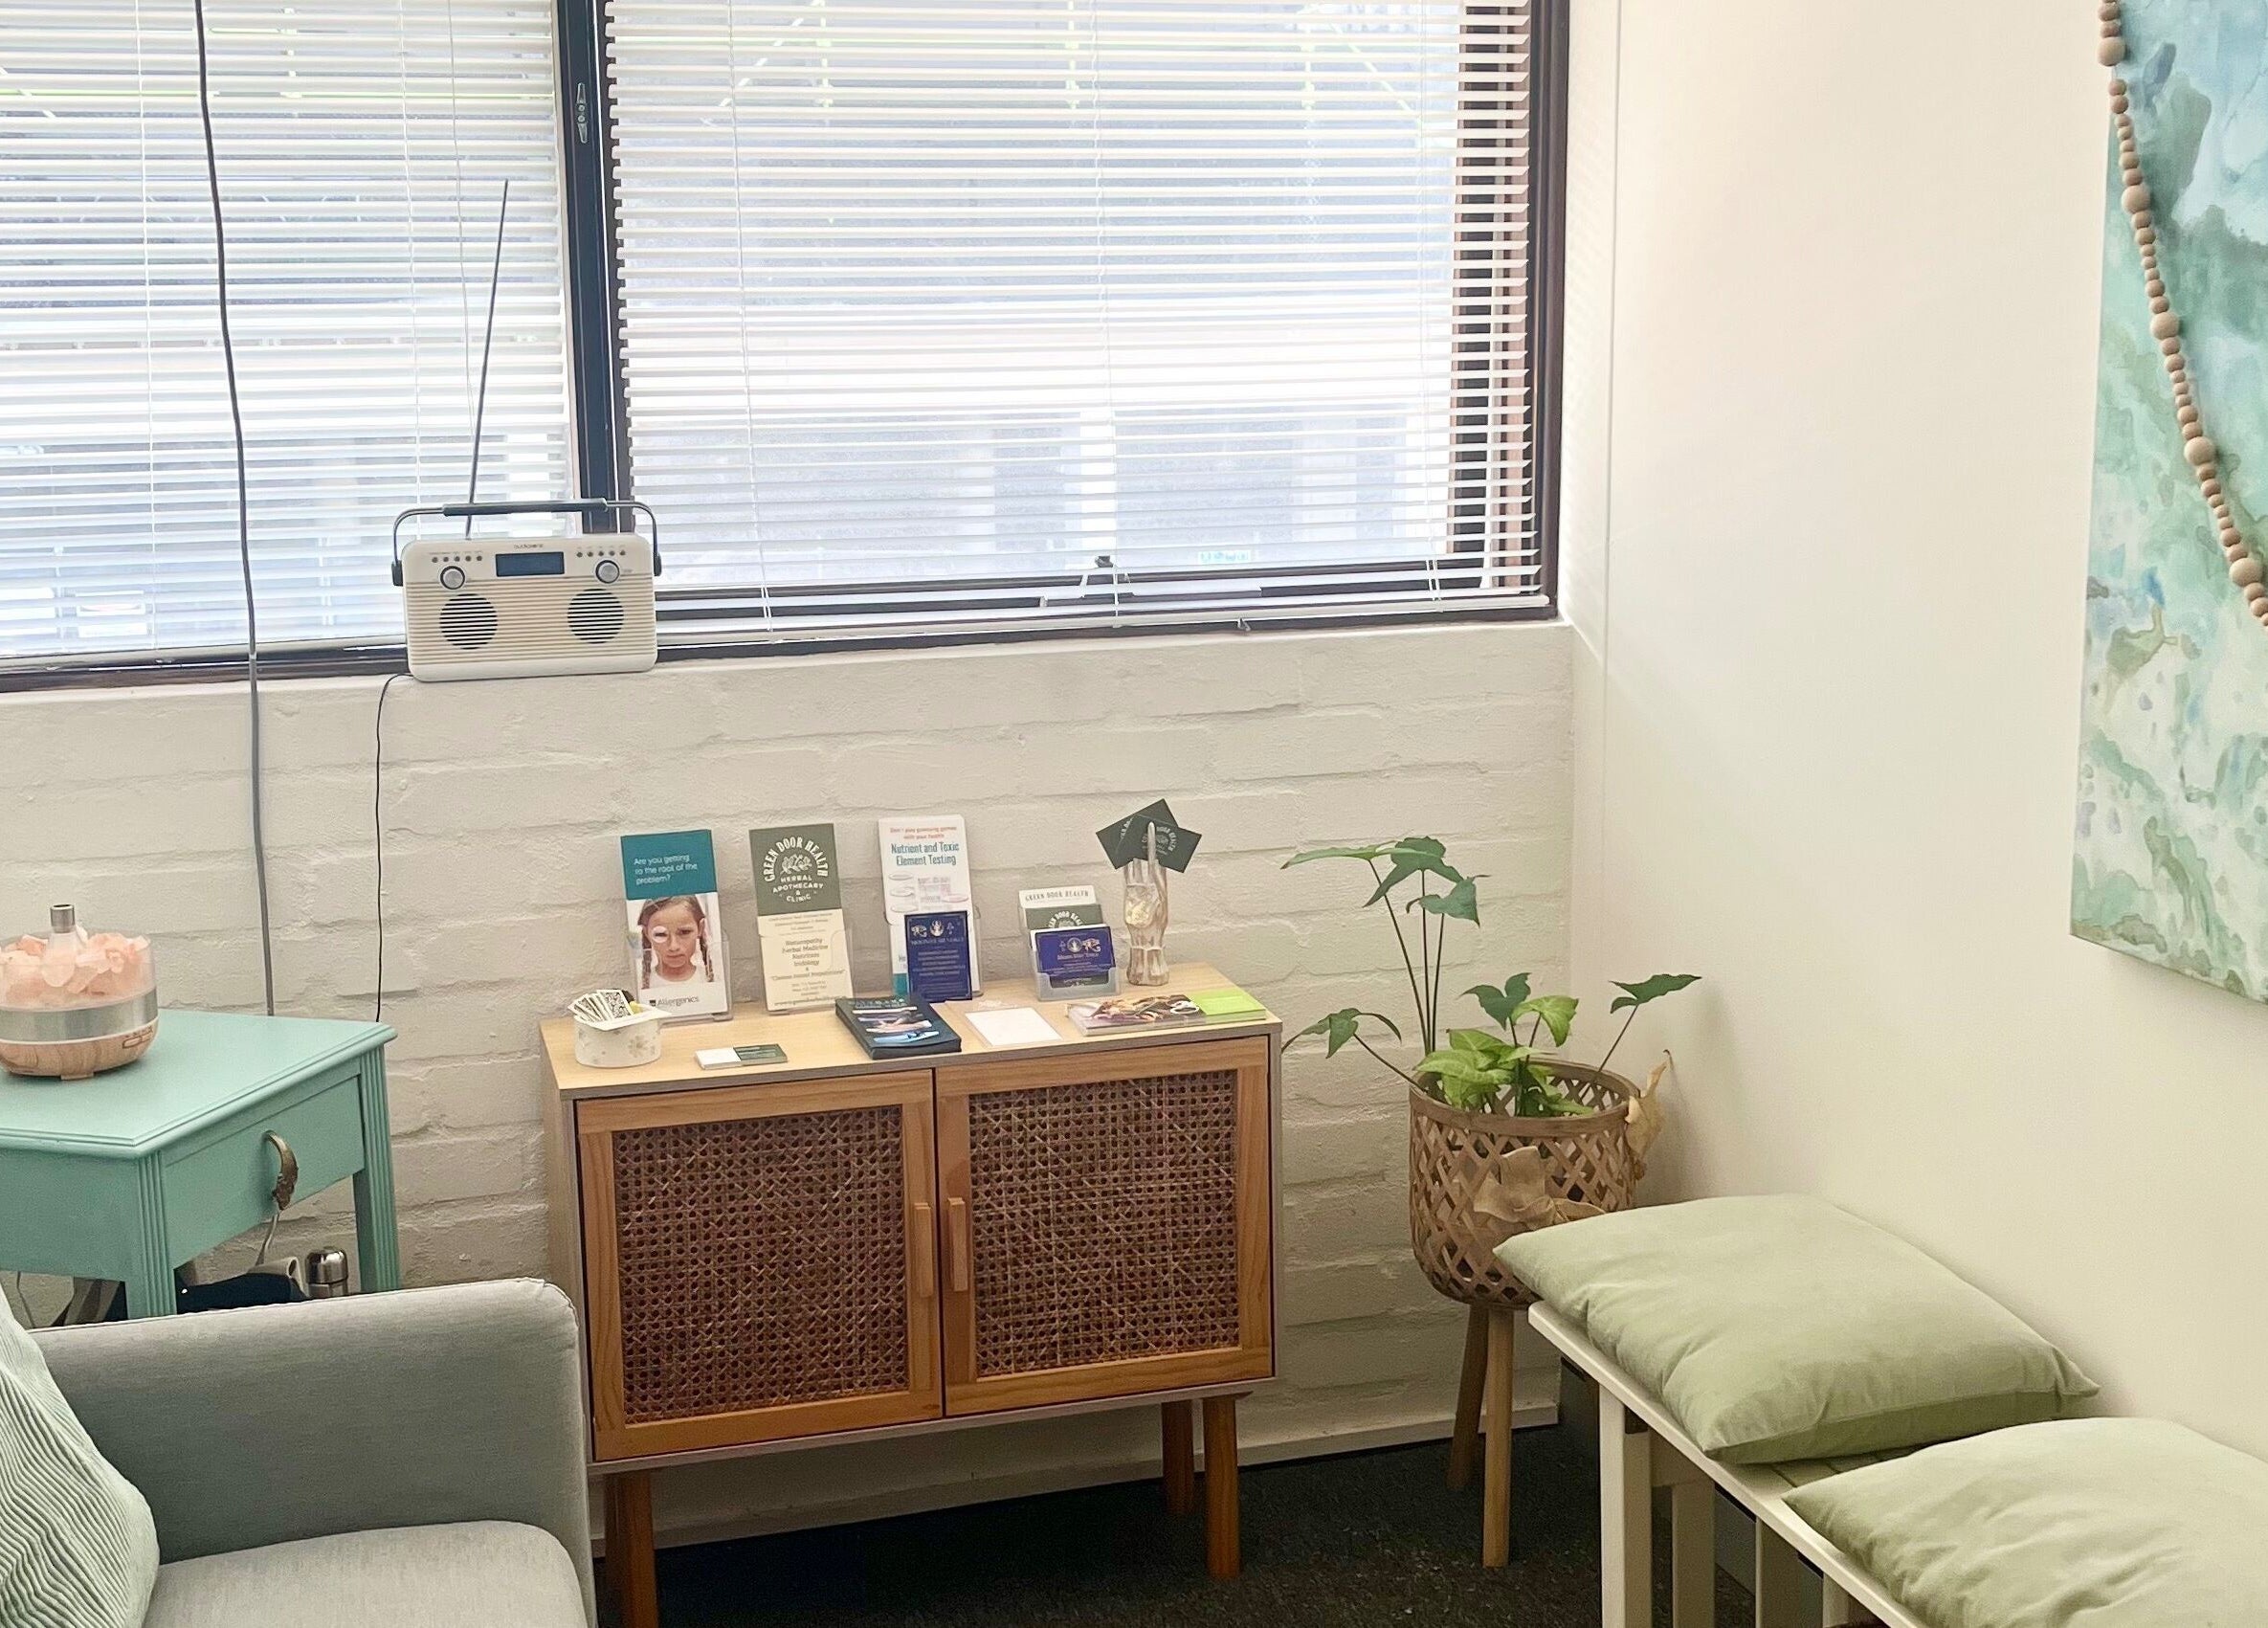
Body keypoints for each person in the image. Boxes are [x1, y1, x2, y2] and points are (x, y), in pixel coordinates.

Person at [635, 895, 715, 988]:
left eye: (685, 932)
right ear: (646, 933)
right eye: (660, 934)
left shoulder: (712, 979)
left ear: (700, 928)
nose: (674, 946)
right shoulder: (639, 985)